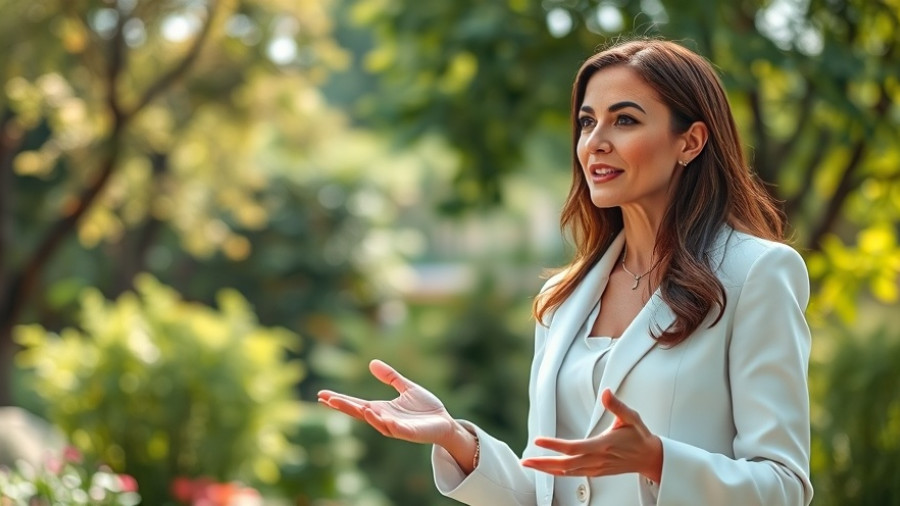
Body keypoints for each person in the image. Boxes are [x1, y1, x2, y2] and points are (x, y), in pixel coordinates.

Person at [317, 38, 813, 506]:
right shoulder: (562, 299)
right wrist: (455, 436)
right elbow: (546, 490)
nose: (595, 142)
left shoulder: (758, 274)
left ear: (691, 141)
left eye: (625, 121)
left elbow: (785, 485)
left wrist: (659, 460)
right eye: (587, 122)